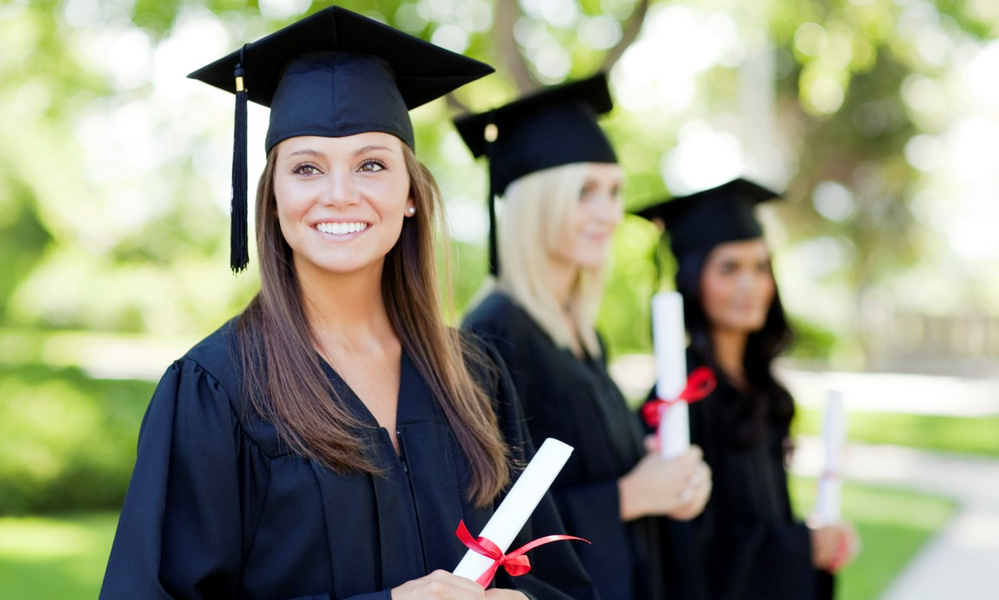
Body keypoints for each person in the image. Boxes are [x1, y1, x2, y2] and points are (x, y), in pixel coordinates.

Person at [100, 7, 596, 600]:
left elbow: (557, 581)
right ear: (273, 197)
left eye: (371, 165)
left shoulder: (474, 375)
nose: (339, 194)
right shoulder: (217, 392)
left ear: (410, 194)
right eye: (307, 168)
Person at [455, 74, 713, 600]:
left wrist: (656, 470)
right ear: (537, 202)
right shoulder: (493, 332)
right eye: (585, 192)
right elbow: (492, 519)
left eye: (615, 192)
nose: (610, 214)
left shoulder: (581, 331)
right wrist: (630, 495)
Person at [635, 178, 859, 600]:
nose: (750, 285)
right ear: (693, 280)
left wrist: (815, 541)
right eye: (729, 268)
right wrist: (800, 548)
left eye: (760, 267)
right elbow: (685, 553)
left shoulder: (760, 388)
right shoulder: (678, 400)